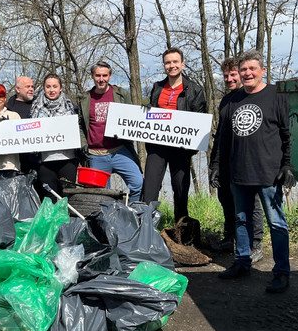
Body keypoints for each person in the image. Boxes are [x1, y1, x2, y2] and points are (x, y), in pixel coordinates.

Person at [212, 50, 296, 293]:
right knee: (241, 219)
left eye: (252, 69)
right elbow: (222, 138)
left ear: (263, 70)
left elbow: (289, 134)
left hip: (268, 173)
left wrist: (288, 165)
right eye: (243, 69)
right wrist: (216, 166)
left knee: (276, 223)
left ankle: (281, 272)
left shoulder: (277, 96)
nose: (247, 73)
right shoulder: (231, 101)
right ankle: (242, 261)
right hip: (239, 172)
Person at [209, 57, 265, 263]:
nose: (229, 79)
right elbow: (220, 134)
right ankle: (230, 238)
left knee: (252, 203)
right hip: (225, 158)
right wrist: (215, 164)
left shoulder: (251, 97)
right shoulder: (225, 101)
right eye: (226, 76)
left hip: (247, 159)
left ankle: (255, 243)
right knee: (225, 198)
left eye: (233, 75)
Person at [141, 47, 207, 220]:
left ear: (182, 64)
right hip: (157, 147)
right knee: (150, 189)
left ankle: (180, 228)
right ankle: (147, 226)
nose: (172, 65)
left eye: (175, 62)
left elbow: (200, 122)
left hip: (180, 148)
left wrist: (191, 149)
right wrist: (147, 111)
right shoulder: (157, 87)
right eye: (168, 62)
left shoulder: (195, 90)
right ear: (164, 66)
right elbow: (152, 114)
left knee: (180, 190)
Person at [78, 61, 143, 201]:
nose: (101, 79)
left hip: (120, 151)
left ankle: (132, 211)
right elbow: (80, 125)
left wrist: (145, 112)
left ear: (110, 76)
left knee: (137, 183)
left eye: (105, 75)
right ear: (92, 76)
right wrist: (83, 144)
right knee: (102, 196)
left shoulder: (121, 94)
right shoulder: (85, 98)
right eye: (98, 75)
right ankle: (108, 214)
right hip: (96, 155)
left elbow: (133, 118)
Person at [31, 73, 78, 201]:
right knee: (49, 198)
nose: (51, 90)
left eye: (55, 86)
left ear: (60, 88)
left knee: (67, 197)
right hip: (45, 161)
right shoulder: (35, 107)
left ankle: (66, 216)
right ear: (44, 88)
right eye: (48, 87)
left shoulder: (71, 107)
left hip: (68, 160)